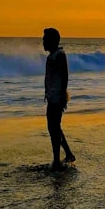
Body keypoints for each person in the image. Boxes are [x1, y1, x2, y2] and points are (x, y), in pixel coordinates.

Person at [43, 27, 75, 170]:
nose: (43, 42)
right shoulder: (51, 56)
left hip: (57, 97)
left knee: (53, 127)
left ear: (52, 41)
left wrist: (62, 95)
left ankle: (57, 160)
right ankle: (68, 154)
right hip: (52, 96)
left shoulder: (59, 55)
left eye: (45, 40)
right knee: (54, 127)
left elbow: (65, 76)